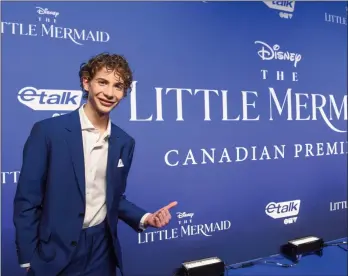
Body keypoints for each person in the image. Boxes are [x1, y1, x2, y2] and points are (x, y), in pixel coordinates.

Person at [13, 53, 177, 276]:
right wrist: (29, 258)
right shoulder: (48, 132)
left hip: (102, 249)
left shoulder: (124, 142)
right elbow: (27, 200)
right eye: (103, 82)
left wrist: (146, 218)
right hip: (54, 251)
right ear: (86, 82)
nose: (109, 93)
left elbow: (113, 197)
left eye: (118, 86)